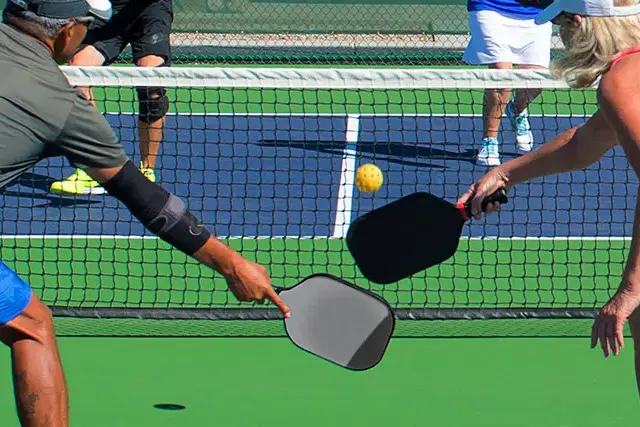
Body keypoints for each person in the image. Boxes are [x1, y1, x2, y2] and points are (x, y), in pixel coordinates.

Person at [0, 0, 290, 424]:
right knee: (32, 326)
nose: (88, 33)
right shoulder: (63, 107)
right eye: (87, 25)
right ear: (66, 31)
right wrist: (232, 264)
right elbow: (146, 199)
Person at [457, 0, 640, 393]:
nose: (561, 38)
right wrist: (504, 173)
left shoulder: (621, 83)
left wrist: (630, 289)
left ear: (580, 24)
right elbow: (584, 144)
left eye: (560, 26)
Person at [48, 0, 174, 195]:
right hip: (111, 9)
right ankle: (93, 167)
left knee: (152, 88)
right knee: (78, 72)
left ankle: (146, 171)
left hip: (151, 9)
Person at [463, 0, 553, 166]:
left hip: (536, 13)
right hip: (490, 7)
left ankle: (517, 108)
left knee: (536, 79)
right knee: (501, 74)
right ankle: (489, 141)